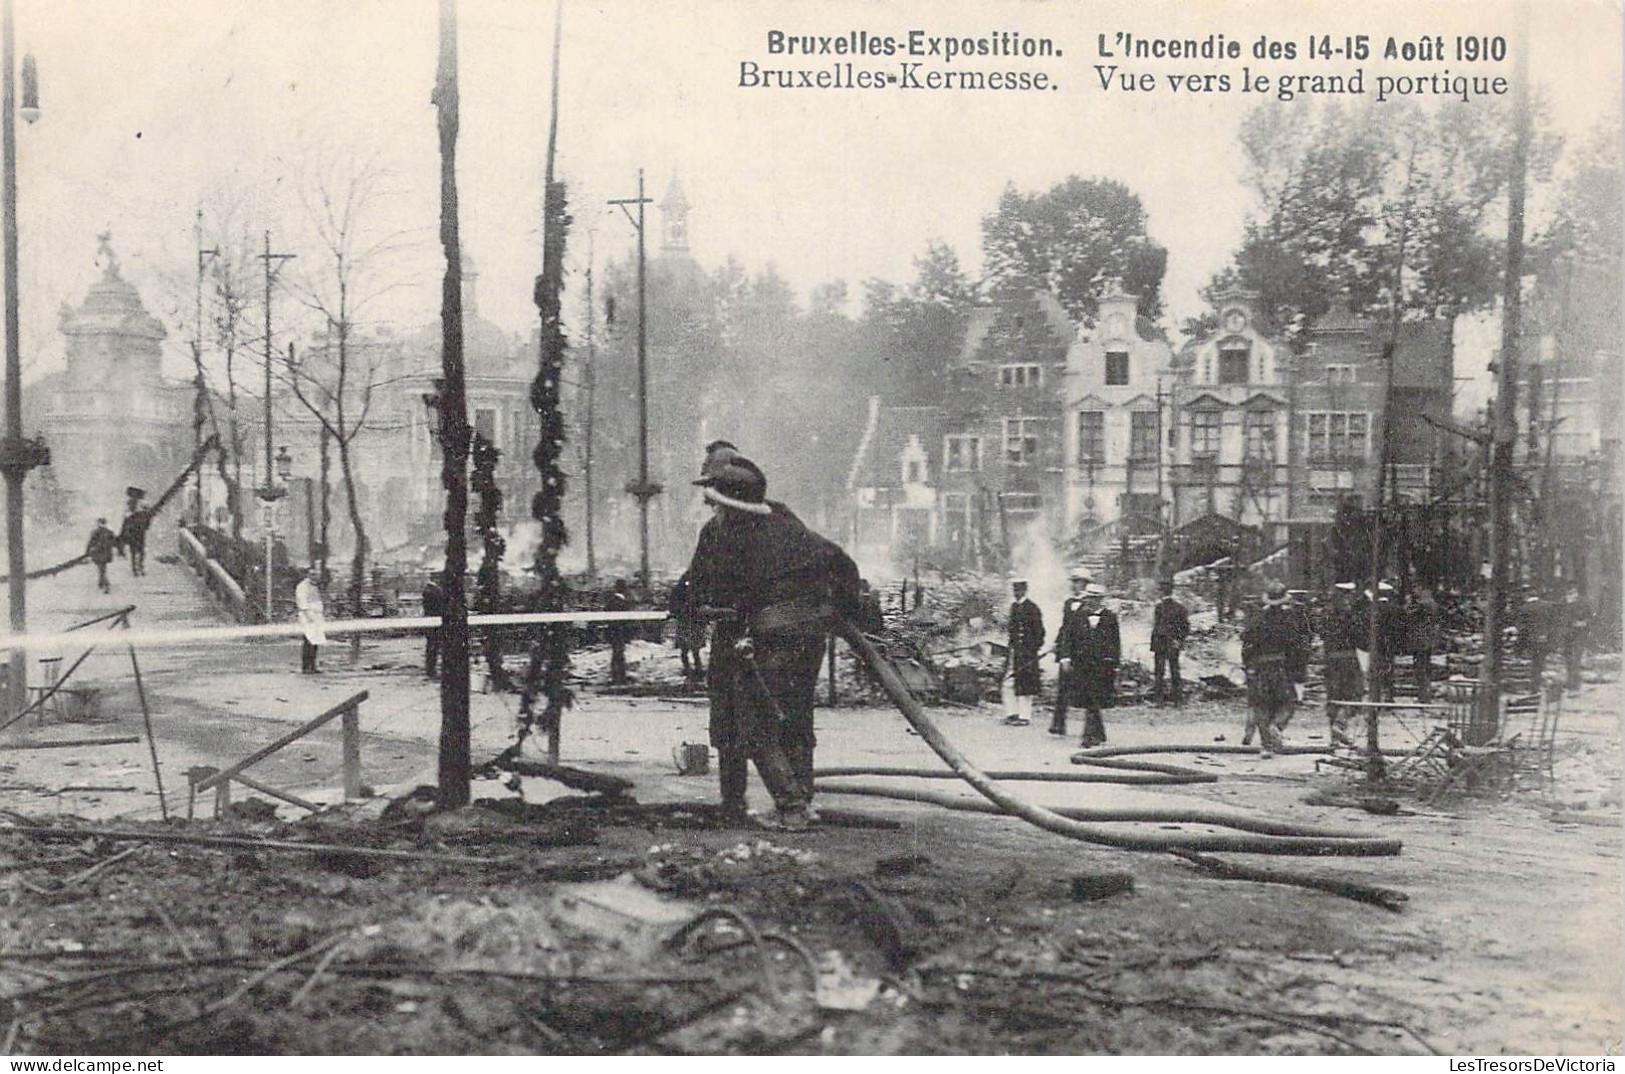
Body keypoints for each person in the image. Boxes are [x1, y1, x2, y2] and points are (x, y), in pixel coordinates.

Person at [686, 456, 860, 830]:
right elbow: (842, 563)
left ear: (730, 504)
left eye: (714, 500)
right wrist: (840, 611)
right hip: (809, 639)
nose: (710, 507)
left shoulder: (733, 535)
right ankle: (803, 801)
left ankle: (792, 807)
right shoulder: (788, 525)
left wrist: (698, 610)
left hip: (771, 637)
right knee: (796, 717)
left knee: (754, 722)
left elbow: (719, 590)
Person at [1241, 581, 1309, 758]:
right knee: (1289, 702)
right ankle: (1277, 726)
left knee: (1262, 706)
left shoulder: (1257, 619)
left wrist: (1249, 667)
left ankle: (1266, 747)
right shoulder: (1289, 620)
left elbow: (1247, 643)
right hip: (1282, 668)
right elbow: (1297, 647)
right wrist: (1298, 672)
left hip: (1260, 669)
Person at [1061, 584, 1120, 748]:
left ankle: (1089, 736)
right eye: (1089, 599)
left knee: (1094, 698)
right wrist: (1065, 657)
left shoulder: (1110, 617)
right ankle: (1098, 732)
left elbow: (1116, 642)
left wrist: (1115, 664)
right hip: (1082, 664)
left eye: (1094, 599)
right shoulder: (1078, 616)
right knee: (1089, 698)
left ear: (1101, 600)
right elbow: (1068, 637)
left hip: (1102, 665)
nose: (1090, 602)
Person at [1319, 582, 1366, 747]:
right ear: (1347, 594)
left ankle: (1333, 738)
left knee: (1333, 696)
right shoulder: (1351, 615)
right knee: (1354, 694)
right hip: (1348, 659)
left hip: (1331, 660)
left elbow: (1322, 634)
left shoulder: (1325, 614)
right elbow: (1361, 638)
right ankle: (1340, 724)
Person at [1048, 571, 1090, 736]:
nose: (1073, 585)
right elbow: (1065, 627)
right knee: (1063, 689)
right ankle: (1058, 724)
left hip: (1084, 653)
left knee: (1088, 691)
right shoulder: (1068, 603)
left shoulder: (1091, 603)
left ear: (1085, 583)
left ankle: (1094, 730)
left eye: (1077, 581)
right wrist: (1057, 643)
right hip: (1068, 652)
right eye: (1072, 581)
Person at [1003, 579, 1045, 727]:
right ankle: (1012, 713)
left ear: (1025, 590)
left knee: (1026, 683)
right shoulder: (1014, 607)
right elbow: (1012, 630)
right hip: (1015, 651)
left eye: (1019, 590)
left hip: (1028, 652)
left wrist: (1031, 649)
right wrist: (1012, 647)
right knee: (1009, 681)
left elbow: (1040, 632)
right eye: (1015, 590)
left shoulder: (1032, 608)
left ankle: (1025, 716)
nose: (1017, 593)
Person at [1150, 578, 1190, 706]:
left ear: (1162, 592)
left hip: (1162, 643)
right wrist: (1179, 640)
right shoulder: (1180, 607)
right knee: (1174, 670)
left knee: (1160, 672)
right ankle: (1177, 699)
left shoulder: (1160, 607)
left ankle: (1159, 700)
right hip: (1171, 643)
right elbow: (1185, 627)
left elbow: (1157, 627)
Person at [669, 572, 707, 684]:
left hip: (688, 621)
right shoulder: (695, 590)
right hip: (690, 621)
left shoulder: (680, 590)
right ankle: (695, 669)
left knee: (687, 648)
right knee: (691, 648)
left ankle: (691, 669)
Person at [294, 566, 327, 674]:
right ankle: (306, 666)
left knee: (316, 641)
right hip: (307, 616)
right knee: (309, 640)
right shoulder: (302, 586)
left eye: (316, 574)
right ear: (307, 575)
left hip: (317, 616)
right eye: (312, 574)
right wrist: (309, 617)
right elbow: (302, 603)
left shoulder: (316, 586)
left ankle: (313, 665)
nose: (315, 576)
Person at [1562, 587, 1592, 692]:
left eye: (1572, 593)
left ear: (1576, 593)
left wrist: (1583, 623)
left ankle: (1574, 684)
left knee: (1576, 659)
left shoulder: (1583, 605)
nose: (1569, 595)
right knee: (1568, 659)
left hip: (1578, 636)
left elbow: (1589, 618)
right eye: (1568, 593)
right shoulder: (1564, 604)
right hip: (1567, 636)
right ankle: (1570, 681)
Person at [605, 579, 633, 685]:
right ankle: (619, 676)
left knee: (617, 653)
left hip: (613, 632)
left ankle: (618, 675)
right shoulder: (621, 603)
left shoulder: (611, 602)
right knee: (618, 653)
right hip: (618, 632)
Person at [421, 571, 447, 679]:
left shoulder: (429, 590)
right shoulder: (432, 591)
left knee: (432, 647)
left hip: (431, 623)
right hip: (434, 623)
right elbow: (439, 606)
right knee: (433, 647)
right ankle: (431, 670)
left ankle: (431, 669)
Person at [117, 503, 153, 578]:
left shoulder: (134, 515)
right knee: (141, 553)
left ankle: (135, 570)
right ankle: (139, 568)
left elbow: (127, 525)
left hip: (134, 537)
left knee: (135, 553)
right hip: (139, 537)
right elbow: (147, 527)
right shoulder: (146, 516)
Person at [85, 518, 118, 594]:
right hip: (107, 553)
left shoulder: (95, 532)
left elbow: (90, 543)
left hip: (98, 553)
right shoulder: (110, 532)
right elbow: (115, 543)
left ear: (98, 523)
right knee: (103, 568)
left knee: (101, 569)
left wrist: (87, 552)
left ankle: (106, 585)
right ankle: (101, 582)